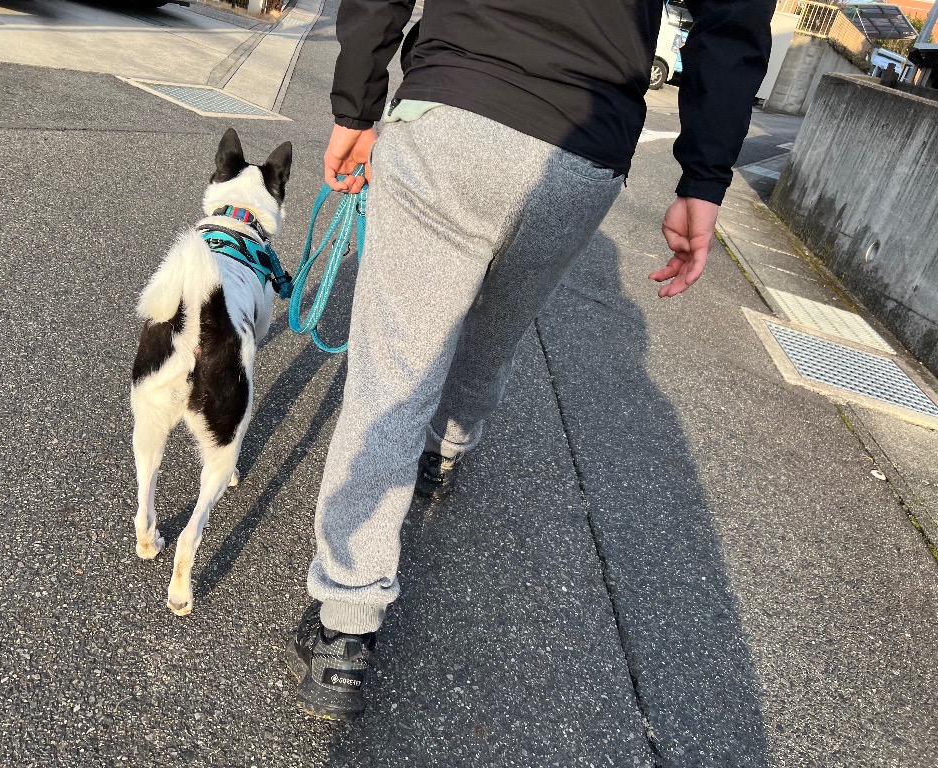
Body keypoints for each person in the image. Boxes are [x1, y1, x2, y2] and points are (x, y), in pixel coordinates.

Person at [284, 0, 773, 720]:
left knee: (395, 368)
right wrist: (703, 178)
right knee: (497, 326)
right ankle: (444, 452)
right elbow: (733, 20)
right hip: (584, 147)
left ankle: (346, 629)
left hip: (452, 104)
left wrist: (356, 104)